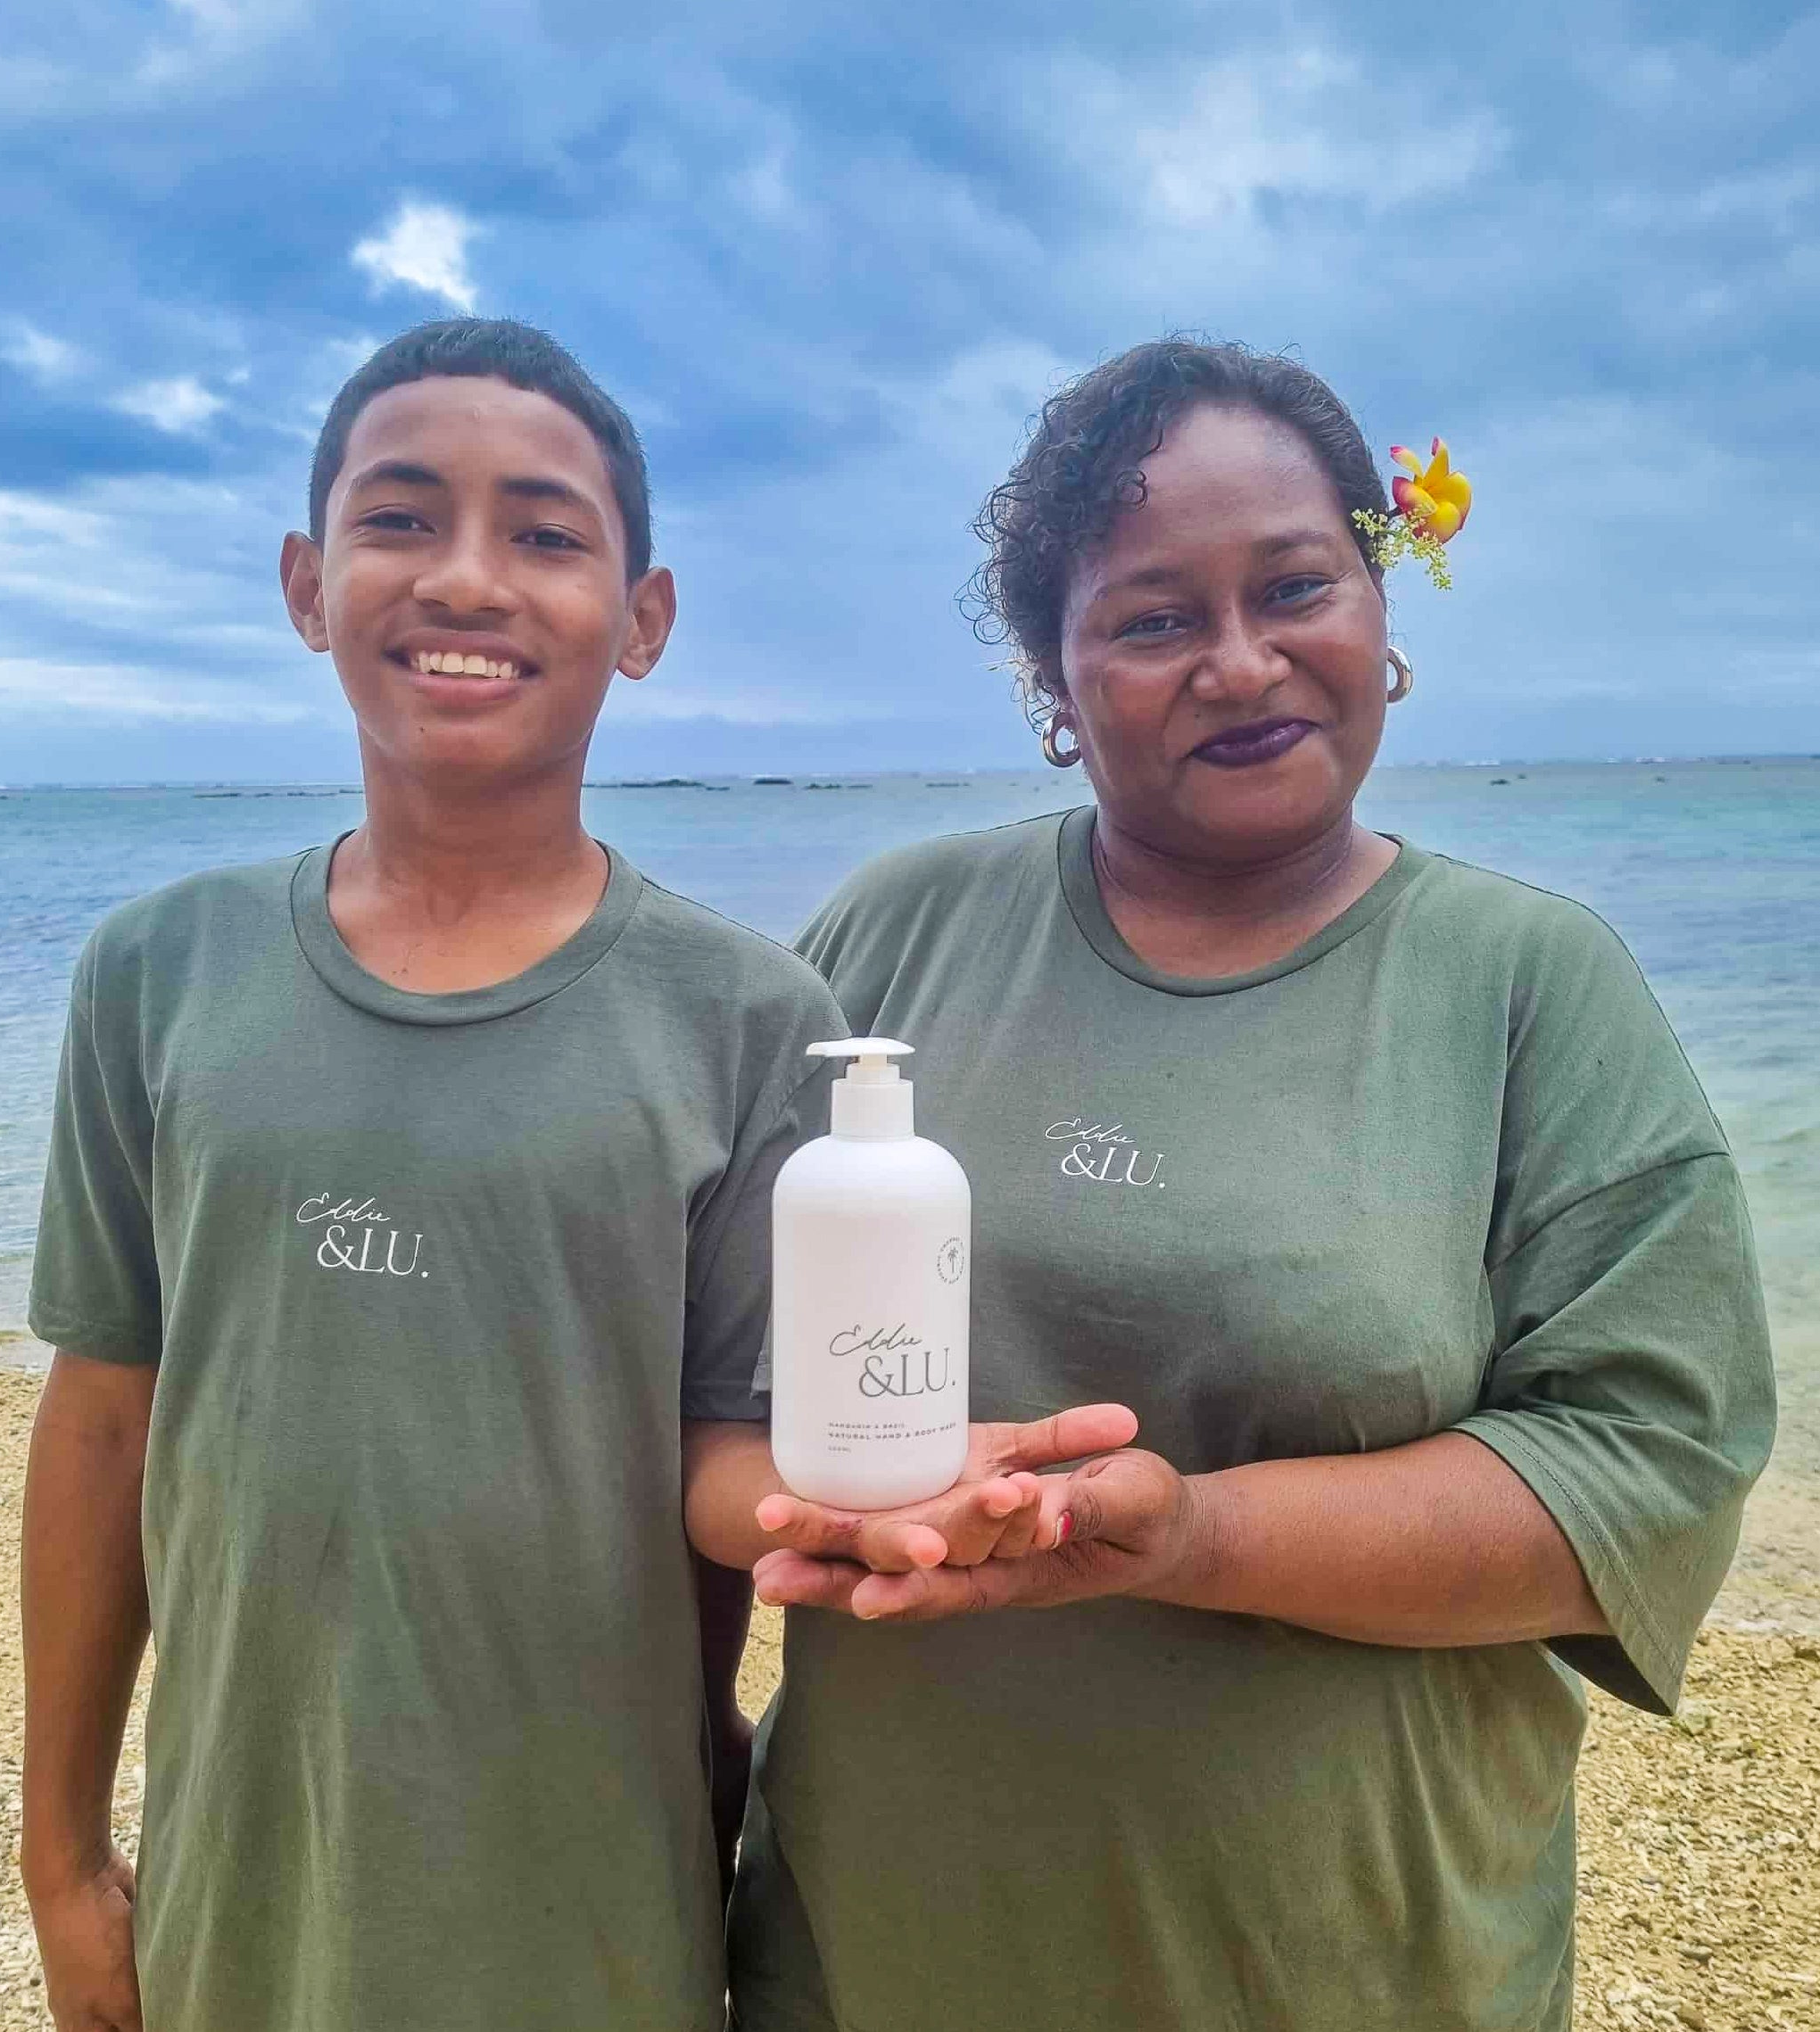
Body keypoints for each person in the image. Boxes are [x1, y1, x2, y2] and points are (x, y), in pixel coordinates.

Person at [719, 340, 1778, 2030]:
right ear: (1053, 680)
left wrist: (1187, 1534)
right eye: (1152, 620)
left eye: (1293, 587)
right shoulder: (893, 933)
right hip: (879, 1937)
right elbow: (708, 1377)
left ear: (1379, 605)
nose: (1239, 662)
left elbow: (1639, 1482)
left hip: (1348, 1956)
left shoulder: (1525, 983)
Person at [20, 316, 857, 2032]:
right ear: (307, 583)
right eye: (400, 519)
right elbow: (101, 1420)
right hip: (242, 1869)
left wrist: (886, 1497)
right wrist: (61, 1857)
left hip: (594, 1890)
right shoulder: (154, 972)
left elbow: (726, 1460)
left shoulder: (749, 1018)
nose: (468, 578)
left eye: (546, 533)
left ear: (643, 619)